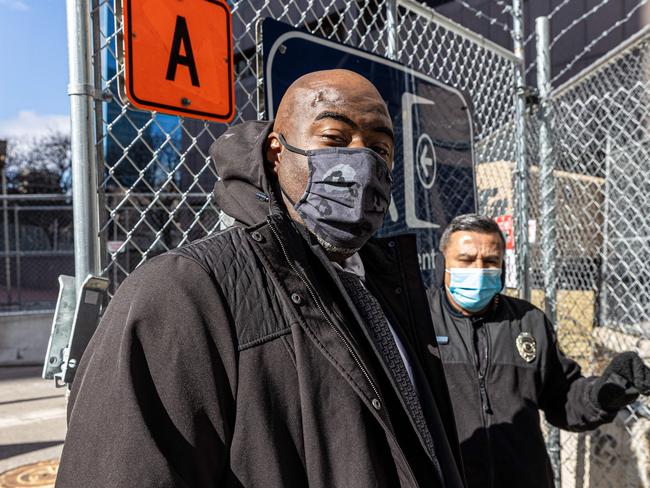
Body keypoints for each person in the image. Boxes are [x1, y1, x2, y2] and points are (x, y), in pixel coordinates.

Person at [55, 69, 466, 488]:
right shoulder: (184, 291)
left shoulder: (385, 287)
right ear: (276, 152)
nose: (362, 163)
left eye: (379, 148)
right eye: (334, 140)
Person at [429, 213, 650, 488]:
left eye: (490, 261)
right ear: (443, 264)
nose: (478, 269)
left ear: (502, 266)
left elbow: (564, 399)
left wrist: (607, 391)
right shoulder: (418, 322)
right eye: (465, 260)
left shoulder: (529, 321)